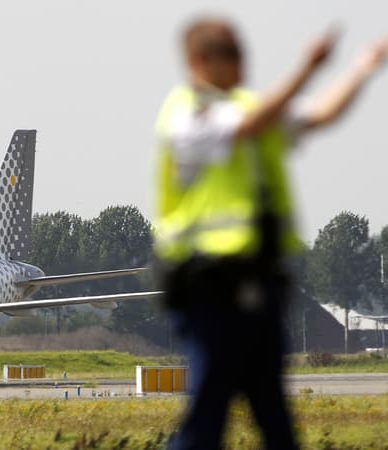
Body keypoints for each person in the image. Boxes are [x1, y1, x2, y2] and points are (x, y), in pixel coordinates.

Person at [153, 17, 388, 450]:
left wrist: (362, 67)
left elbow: (319, 114)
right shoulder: (189, 114)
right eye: (233, 53)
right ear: (200, 60)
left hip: (260, 292)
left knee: (276, 422)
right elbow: (248, 126)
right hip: (211, 292)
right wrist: (307, 67)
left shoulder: (251, 108)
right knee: (205, 423)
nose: (244, 60)